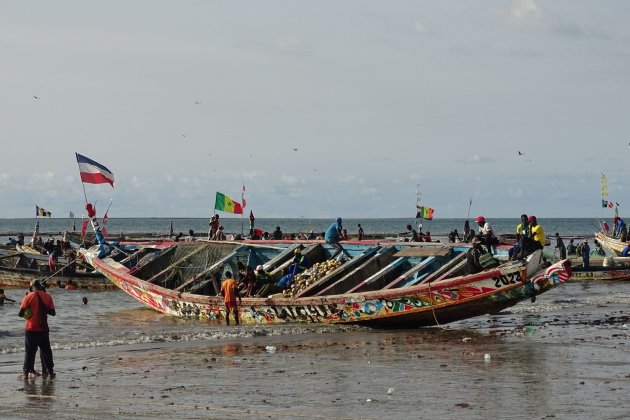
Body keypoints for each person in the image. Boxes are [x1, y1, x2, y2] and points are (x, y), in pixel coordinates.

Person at [19, 279, 56, 379]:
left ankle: (26, 374)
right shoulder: (48, 296)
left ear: (31, 288)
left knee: (30, 352)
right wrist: (42, 309)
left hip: (31, 329)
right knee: (46, 351)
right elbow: (53, 313)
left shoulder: (28, 296)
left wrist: (29, 309)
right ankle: (50, 371)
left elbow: (20, 314)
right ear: (40, 286)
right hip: (44, 329)